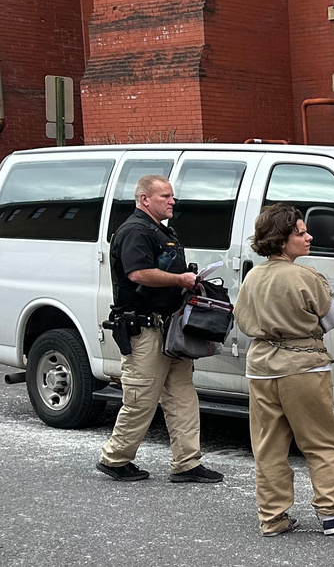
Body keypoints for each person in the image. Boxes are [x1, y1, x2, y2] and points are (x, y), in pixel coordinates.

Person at [234, 204, 334, 537]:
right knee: (321, 441)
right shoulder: (306, 276)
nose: (309, 236)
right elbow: (331, 319)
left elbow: (242, 319)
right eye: (300, 232)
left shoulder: (252, 276)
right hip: (303, 365)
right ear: (282, 239)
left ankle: (273, 517)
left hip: (261, 367)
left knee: (268, 445)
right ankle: (331, 513)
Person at [97, 175, 223, 484]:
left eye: (172, 196)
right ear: (144, 200)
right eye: (165, 196)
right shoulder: (134, 232)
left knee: (182, 396)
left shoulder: (161, 230)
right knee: (140, 398)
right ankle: (115, 459)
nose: (172, 201)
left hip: (171, 328)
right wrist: (181, 280)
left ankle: (187, 463)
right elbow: (138, 273)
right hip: (145, 329)